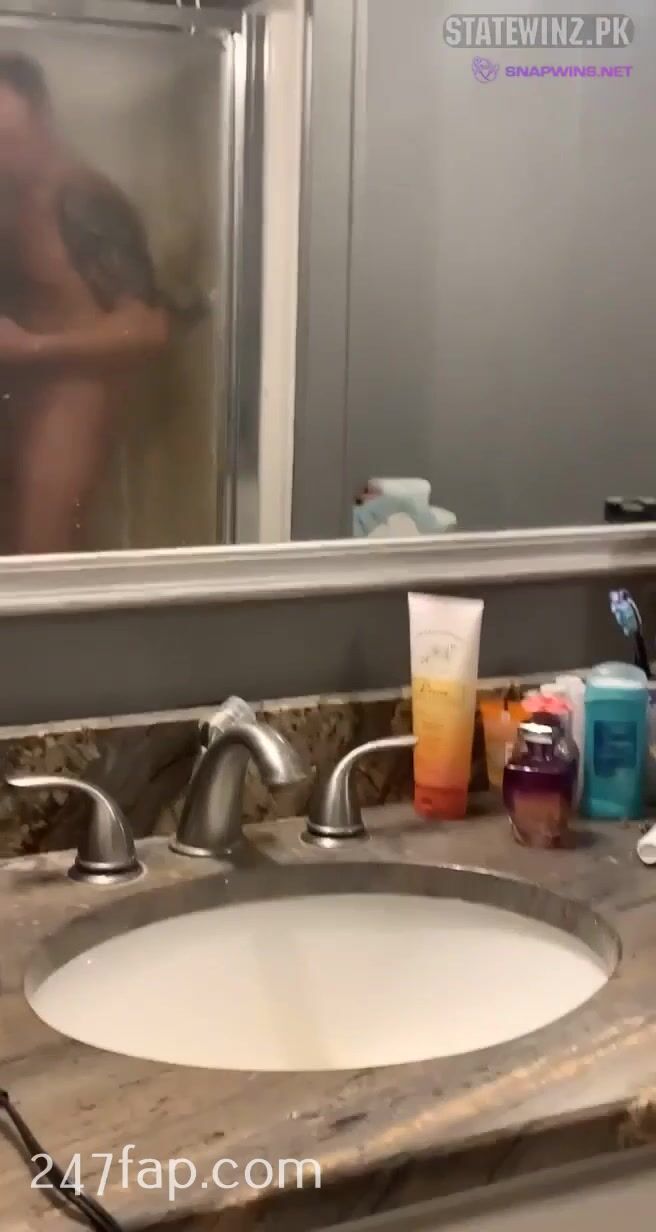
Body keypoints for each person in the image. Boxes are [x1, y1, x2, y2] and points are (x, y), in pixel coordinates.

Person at [0, 53, 171, 552]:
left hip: (72, 406)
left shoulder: (83, 199)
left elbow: (150, 328)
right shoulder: (15, 196)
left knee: (41, 559)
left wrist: (30, 347)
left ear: (41, 117)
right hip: (25, 399)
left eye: (8, 138)